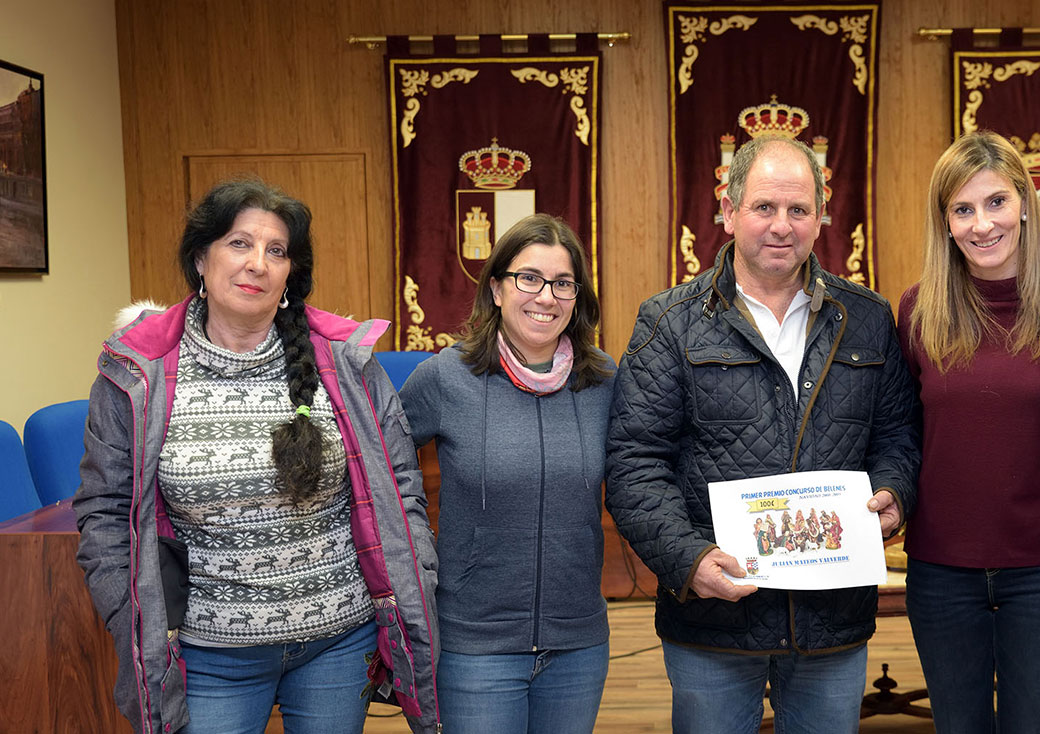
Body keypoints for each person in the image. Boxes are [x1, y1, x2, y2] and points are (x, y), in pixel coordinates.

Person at [73, 178, 440, 734]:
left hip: (340, 642)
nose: (257, 265)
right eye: (239, 244)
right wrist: (133, 616)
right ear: (201, 257)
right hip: (207, 655)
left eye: (276, 251)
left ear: (291, 273)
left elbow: (401, 489)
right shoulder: (138, 374)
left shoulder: (345, 365)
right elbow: (104, 513)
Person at [605, 136, 921, 734]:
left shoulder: (869, 318)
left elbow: (898, 436)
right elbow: (634, 460)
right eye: (764, 208)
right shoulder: (669, 322)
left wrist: (893, 494)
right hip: (714, 623)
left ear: (821, 217)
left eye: (799, 210)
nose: (782, 227)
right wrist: (687, 560)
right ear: (728, 211)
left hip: (831, 619)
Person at [897, 131, 1040, 734]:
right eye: (962, 209)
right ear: (944, 222)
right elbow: (905, 433)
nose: (981, 224)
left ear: (1025, 203)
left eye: (995, 202)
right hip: (941, 570)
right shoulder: (918, 311)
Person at [398, 214, 614, 734]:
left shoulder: (604, 380)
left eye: (563, 283)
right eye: (528, 278)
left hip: (578, 643)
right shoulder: (445, 378)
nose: (546, 296)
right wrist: (421, 553)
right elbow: (380, 469)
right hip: (475, 645)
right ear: (496, 288)